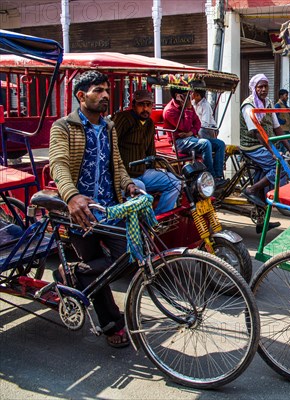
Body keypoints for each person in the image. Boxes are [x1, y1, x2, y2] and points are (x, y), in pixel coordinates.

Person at [49, 70, 138, 348]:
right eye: (98, 90)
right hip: (80, 212)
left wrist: (128, 185)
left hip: (110, 209)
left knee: (129, 256)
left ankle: (71, 274)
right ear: (81, 95)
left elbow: (117, 165)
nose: (105, 96)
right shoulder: (63, 126)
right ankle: (112, 322)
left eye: (106, 91)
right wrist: (72, 196)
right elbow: (58, 164)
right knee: (99, 268)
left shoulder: (109, 126)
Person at [240, 74, 290, 233]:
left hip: (265, 144)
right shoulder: (248, 106)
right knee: (280, 166)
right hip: (252, 146)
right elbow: (257, 133)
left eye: (265, 86)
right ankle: (250, 190)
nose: (263, 89)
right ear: (254, 88)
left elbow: (277, 128)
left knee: (263, 178)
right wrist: (273, 152)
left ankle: (261, 221)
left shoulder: (268, 103)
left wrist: (289, 148)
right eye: (260, 86)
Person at [113, 89, 181, 215]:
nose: (145, 108)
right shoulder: (123, 119)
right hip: (124, 176)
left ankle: (159, 218)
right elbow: (111, 146)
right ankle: (144, 225)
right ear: (133, 105)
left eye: (148, 105)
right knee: (140, 188)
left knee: (175, 182)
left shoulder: (149, 123)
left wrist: (156, 168)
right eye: (141, 105)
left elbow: (151, 151)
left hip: (143, 173)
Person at [163, 86, 226, 186]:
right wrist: (188, 110)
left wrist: (191, 132)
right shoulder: (170, 110)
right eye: (186, 95)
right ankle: (211, 178)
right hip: (178, 142)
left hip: (191, 137)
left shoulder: (188, 105)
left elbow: (197, 122)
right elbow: (185, 127)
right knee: (205, 144)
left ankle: (218, 176)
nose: (190, 97)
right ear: (178, 96)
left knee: (220, 144)